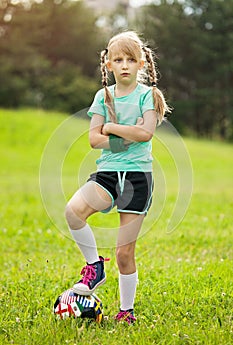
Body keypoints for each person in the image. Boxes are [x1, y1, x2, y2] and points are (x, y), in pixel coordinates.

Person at [65, 31, 170, 324]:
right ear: (108, 65)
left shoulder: (148, 96)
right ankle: (94, 265)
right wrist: (119, 132)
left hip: (137, 178)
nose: (125, 65)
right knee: (73, 211)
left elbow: (145, 133)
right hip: (108, 173)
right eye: (118, 60)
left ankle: (126, 312)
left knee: (124, 253)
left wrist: (110, 128)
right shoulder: (103, 96)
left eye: (131, 60)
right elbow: (93, 139)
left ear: (142, 65)